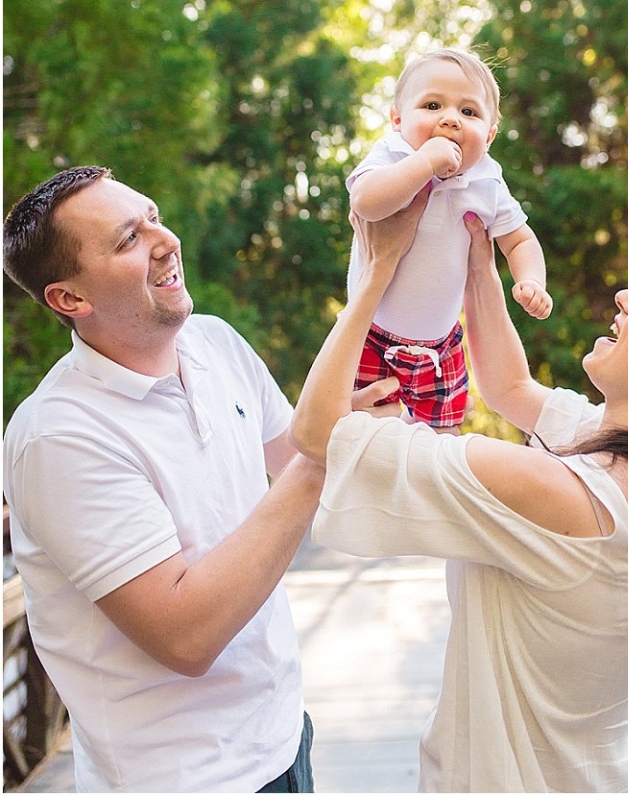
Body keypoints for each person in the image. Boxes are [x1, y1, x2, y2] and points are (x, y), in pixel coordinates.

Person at [290, 193, 628, 793]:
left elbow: (317, 432)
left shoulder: (561, 494)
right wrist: (477, 266)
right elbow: (510, 387)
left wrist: (377, 271)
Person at [2, 165, 382, 794]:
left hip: (284, 736)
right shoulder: (58, 437)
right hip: (181, 779)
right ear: (69, 299)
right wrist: (321, 455)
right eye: (128, 239)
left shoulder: (215, 342)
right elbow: (186, 636)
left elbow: (297, 461)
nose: (165, 240)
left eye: (152, 216)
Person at [347, 48, 552, 430]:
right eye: (432, 105)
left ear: (489, 136)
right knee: (362, 432)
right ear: (397, 119)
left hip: (440, 347)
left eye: (468, 112)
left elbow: (520, 240)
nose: (450, 119)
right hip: (368, 336)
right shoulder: (393, 155)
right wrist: (424, 163)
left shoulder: (487, 181)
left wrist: (531, 280)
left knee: (445, 437)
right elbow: (366, 203)